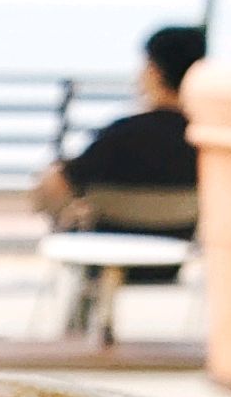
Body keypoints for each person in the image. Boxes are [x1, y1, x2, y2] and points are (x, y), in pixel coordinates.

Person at [34, 24, 206, 242]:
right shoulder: (205, 139)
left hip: (102, 256)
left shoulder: (120, 136)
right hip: (172, 255)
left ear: (153, 71)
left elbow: (52, 187)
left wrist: (63, 212)